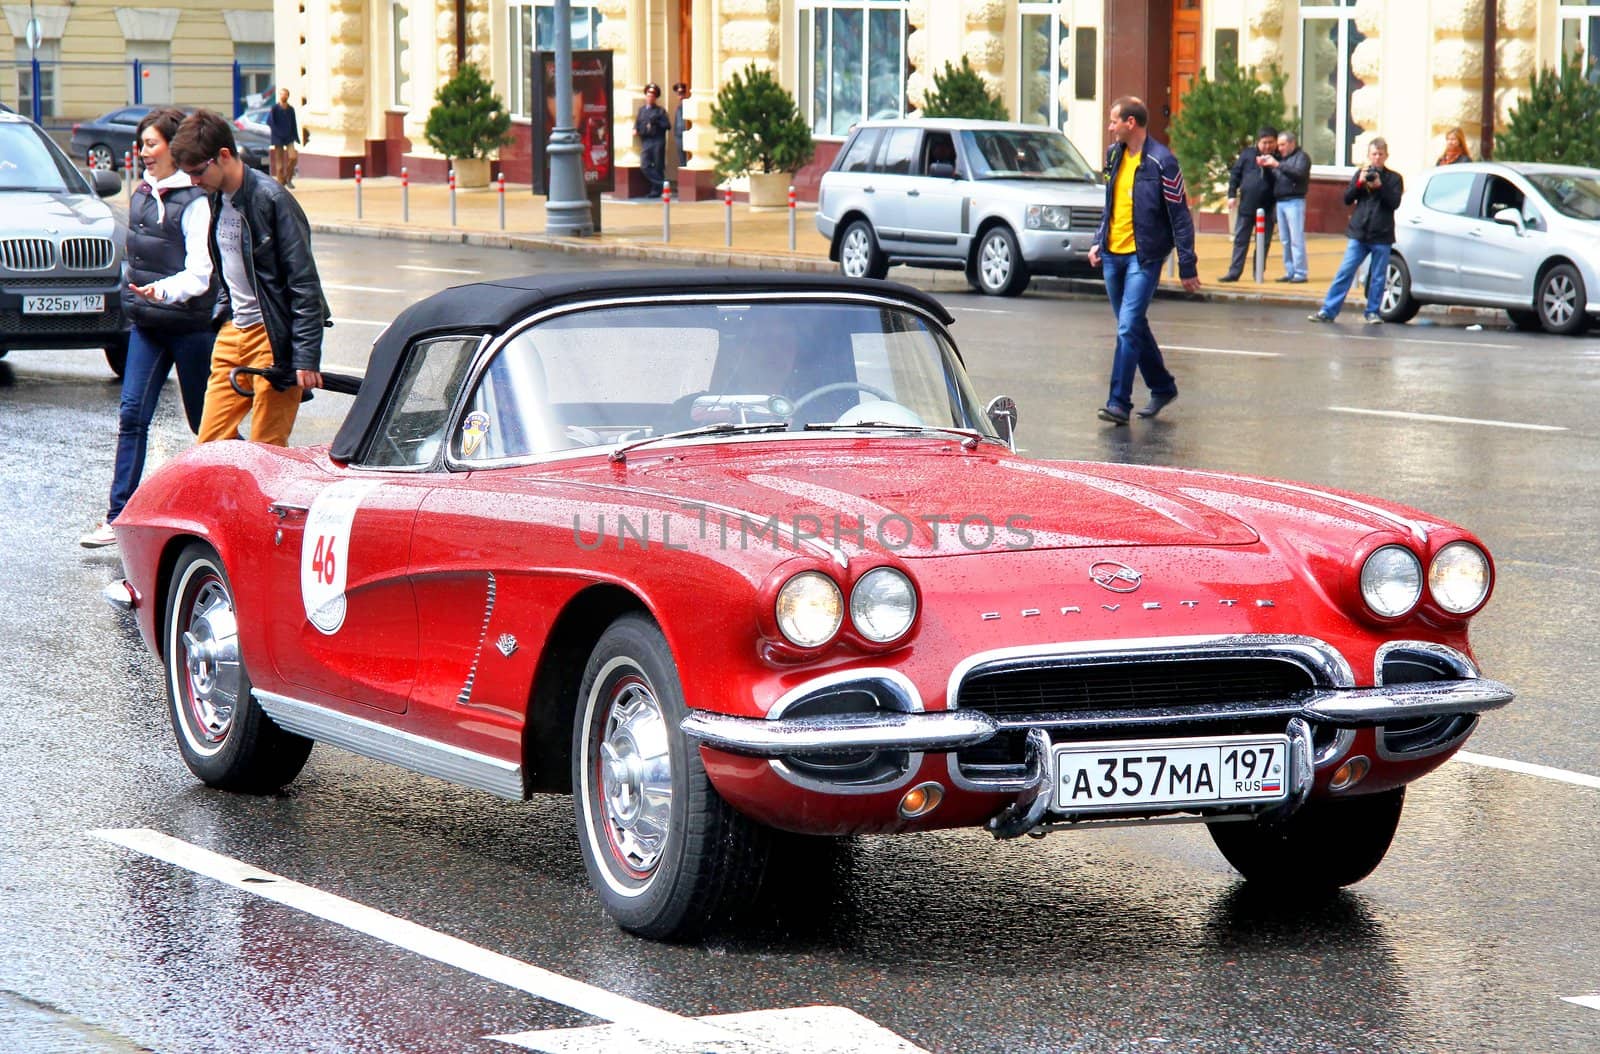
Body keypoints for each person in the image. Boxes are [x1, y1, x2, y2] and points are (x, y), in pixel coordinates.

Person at [79, 108, 218, 548]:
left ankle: (223, 512)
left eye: (152, 144)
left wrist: (163, 291)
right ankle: (117, 517)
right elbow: (133, 259)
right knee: (132, 415)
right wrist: (133, 293)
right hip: (147, 325)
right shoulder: (140, 194)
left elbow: (201, 273)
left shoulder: (195, 202)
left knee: (206, 425)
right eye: (141, 144)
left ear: (175, 149)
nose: (143, 152)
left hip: (191, 327)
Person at [168, 110, 331, 445]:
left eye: (198, 172)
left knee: (265, 449)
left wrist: (305, 356)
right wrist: (225, 314)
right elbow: (229, 268)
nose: (194, 181)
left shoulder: (272, 200)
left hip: (272, 338)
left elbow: (304, 283)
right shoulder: (216, 199)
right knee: (208, 446)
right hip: (234, 332)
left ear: (223, 156)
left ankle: (263, 500)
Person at [1088, 96, 1200, 425]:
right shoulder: (1113, 156)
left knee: (1127, 327)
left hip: (1144, 256)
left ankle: (1118, 403)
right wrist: (1098, 241)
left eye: (1113, 121)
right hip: (1112, 254)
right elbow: (1110, 206)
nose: (1110, 127)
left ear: (1130, 123)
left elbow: (1180, 215)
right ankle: (1162, 386)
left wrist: (1187, 265)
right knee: (1133, 325)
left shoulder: (1162, 161)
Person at [1308, 137, 1404, 326]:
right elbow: (1346, 198)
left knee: (1377, 277)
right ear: (1368, 156)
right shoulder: (1360, 173)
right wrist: (1360, 183)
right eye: (1374, 154)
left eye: (1380, 154)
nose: (1377, 158)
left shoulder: (1394, 178)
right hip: (1360, 232)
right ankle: (1328, 310)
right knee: (1345, 271)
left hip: (1381, 234)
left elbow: (1394, 203)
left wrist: (1380, 186)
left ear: (1386, 156)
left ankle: (1373, 312)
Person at [1219, 127, 1279, 282]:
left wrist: (1273, 166)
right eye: (1264, 143)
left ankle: (1258, 273)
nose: (1267, 146)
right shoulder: (1248, 155)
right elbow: (1235, 175)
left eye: (1271, 143)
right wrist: (1232, 194)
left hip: (1268, 206)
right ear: (1258, 142)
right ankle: (1234, 272)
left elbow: (1282, 179)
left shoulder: (1278, 158)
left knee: (1263, 243)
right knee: (1241, 240)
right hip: (1247, 205)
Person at [1267, 130, 1311, 283]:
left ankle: (1301, 272)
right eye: (1279, 145)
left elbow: (1299, 174)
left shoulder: (1302, 157)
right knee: (1285, 239)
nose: (1280, 148)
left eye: (1283, 145)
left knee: (1296, 238)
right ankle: (1290, 270)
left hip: (1295, 201)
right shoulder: (1281, 158)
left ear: (1292, 143)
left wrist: (1278, 165)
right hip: (1280, 201)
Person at [635, 83, 669, 198]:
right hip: (646, 141)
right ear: (646, 96)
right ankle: (663, 184)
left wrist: (657, 121)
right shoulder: (642, 110)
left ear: (656, 97)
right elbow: (638, 123)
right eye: (648, 95)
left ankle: (656, 191)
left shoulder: (660, 111)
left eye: (653, 96)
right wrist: (635, 129)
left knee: (658, 165)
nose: (650, 97)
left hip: (657, 141)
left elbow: (667, 126)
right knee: (645, 165)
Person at [267, 88, 299, 188]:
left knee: (293, 157)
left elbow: (294, 123)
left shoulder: (290, 109)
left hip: (289, 137)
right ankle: (281, 183)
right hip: (278, 138)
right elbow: (270, 122)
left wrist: (296, 136)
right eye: (282, 94)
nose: (283, 96)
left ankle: (288, 178)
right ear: (279, 95)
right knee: (279, 165)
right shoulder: (275, 108)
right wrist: (277, 133)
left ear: (288, 96)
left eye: (285, 94)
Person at [671, 82, 690, 168]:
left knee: (689, 158)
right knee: (682, 160)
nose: (681, 96)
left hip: (687, 134)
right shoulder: (679, 107)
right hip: (679, 135)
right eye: (679, 94)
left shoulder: (689, 105)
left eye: (682, 93)